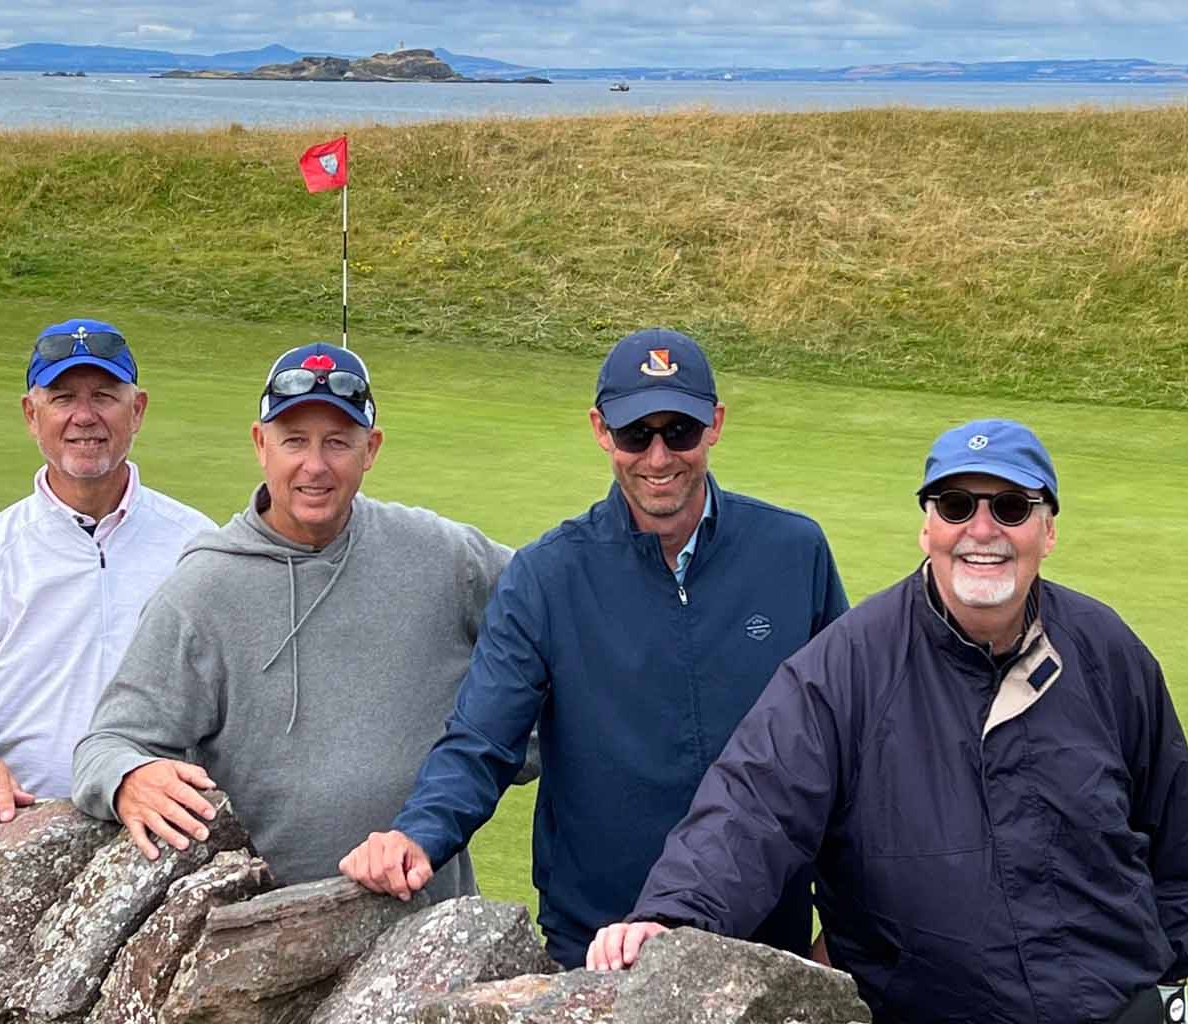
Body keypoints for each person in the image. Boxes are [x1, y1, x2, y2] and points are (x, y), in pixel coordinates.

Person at [591, 419, 1188, 1024]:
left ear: (1047, 530)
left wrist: (1168, 984)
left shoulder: (1106, 649)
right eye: (954, 505)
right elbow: (753, 807)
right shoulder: (846, 667)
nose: (981, 530)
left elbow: (1178, 838)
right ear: (927, 528)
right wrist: (674, 916)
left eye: (1010, 507)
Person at [340, 328, 848, 968]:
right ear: (601, 430)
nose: (659, 458)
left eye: (680, 432)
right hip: (596, 945)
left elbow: (844, 750)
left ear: (715, 424)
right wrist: (420, 832)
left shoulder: (793, 553)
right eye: (637, 434)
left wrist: (849, 925)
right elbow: (481, 742)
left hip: (758, 942)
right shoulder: (546, 576)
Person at [72, 342, 512, 901]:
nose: (315, 465)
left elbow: (552, 616)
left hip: (425, 922)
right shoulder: (202, 590)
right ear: (261, 444)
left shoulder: (443, 555)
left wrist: (516, 744)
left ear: (370, 449)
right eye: (294, 441)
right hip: (265, 932)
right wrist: (128, 778)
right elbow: (106, 743)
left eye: (337, 442)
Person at [0, 318, 212, 835]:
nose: (84, 416)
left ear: (137, 410)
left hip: (164, 833)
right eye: (61, 398)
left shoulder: (196, 545)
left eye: (104, 395)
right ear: (32, 415)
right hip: (21, 834)